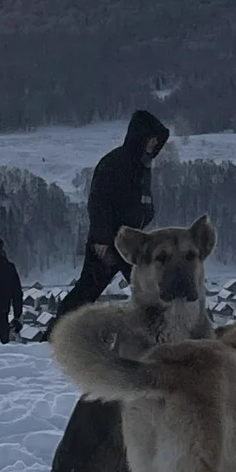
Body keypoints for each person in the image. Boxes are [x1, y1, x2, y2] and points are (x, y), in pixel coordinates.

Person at [54, 110, 170, 322]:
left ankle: (159, 329)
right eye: (151, 138)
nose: (155, 143)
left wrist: (146, 219)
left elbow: (142, 201)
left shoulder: (143, 166)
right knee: (86, 292)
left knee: (146, 288)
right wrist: (102, 238)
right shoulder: (115, 163)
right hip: (109, 242)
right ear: (140, 137)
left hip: (132, 239)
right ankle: (56, 332)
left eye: (157, 139)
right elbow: (99, 201)